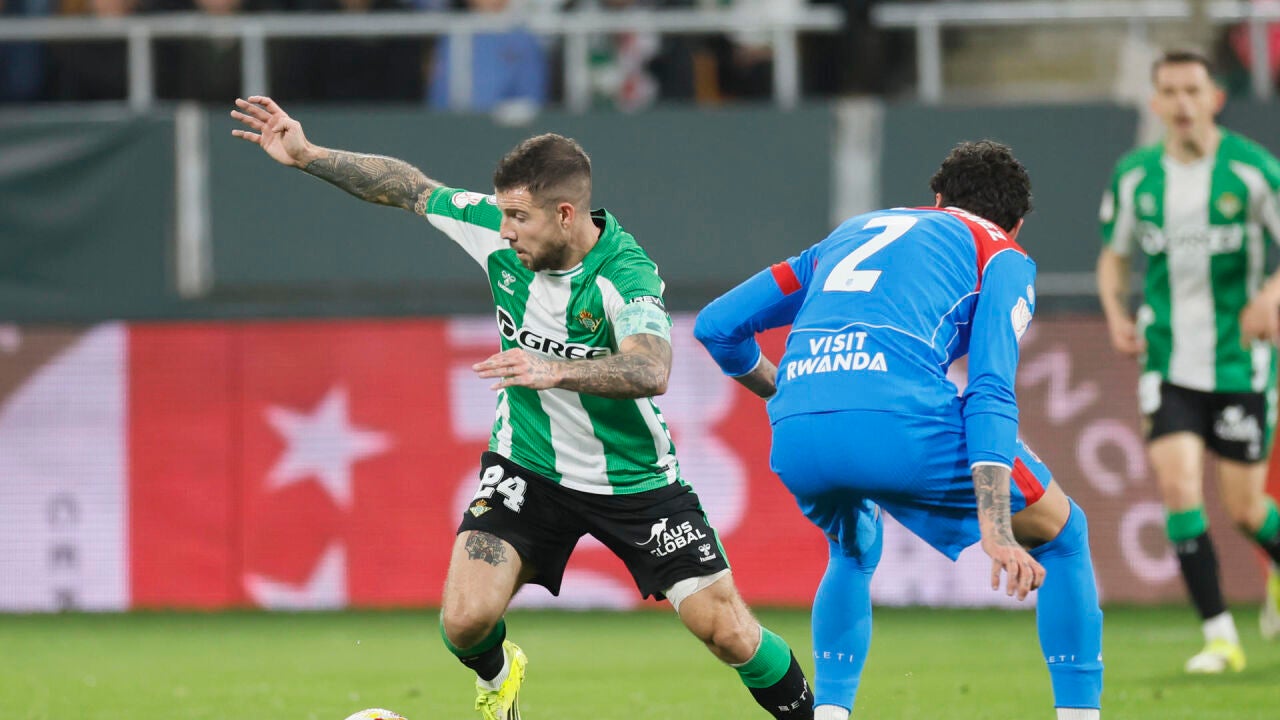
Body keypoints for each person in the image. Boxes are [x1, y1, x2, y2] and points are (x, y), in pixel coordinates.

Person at [229, 95, 815, 720]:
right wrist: (307, 155)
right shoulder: (497, 233)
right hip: (527, 467)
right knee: (464, 621)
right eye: (503, 213)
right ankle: (500, 678)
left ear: (564, 214)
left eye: (518, 217)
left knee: (727, 633)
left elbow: (652, 369)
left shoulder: (626, 276)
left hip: (635, 483)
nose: (505, 230)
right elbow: (409, 188)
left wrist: (555, 369)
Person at [695, 140, 1104, 720]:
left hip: (798, 431)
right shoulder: (1001, 253)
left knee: (853, 549)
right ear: (1015, 225)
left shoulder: (849, 234)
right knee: (1064, 534)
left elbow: (717, 326)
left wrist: (784, 390)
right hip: (899, 427)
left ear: (936, 199)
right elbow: (989, 389)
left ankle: (830, 713)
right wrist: (995, 525)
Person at [1096, 47, 1280, 674]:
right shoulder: (1135, 176)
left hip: (1239, 362)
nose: (1181, 104)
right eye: (1169, 92)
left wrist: (1270, 296)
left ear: (1215, 99)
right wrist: (1115, 312)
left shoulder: (1253, 171)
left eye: (1192, 91)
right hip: (1168, 358)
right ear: (1155, 102)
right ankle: (1220, 636)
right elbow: (1114, 253)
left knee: (1247, 511)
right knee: (1178, 488)